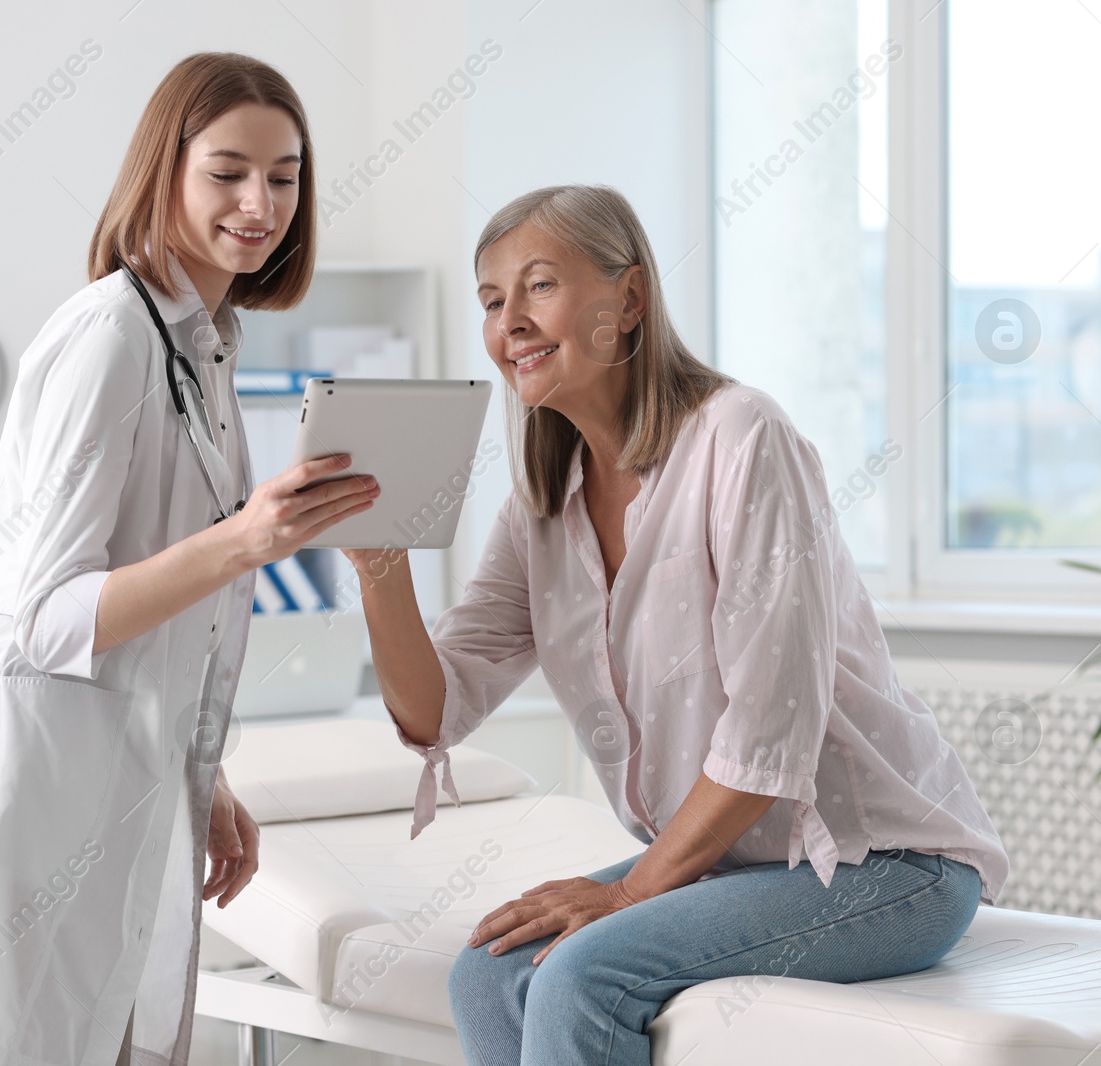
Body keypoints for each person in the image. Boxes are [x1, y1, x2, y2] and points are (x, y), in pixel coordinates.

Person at [344, 184, 1009, 1066]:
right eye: (491, 300)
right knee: (486, 970)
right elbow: (436, 712)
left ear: (628, 300)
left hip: (877, 861)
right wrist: (381, 567)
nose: (510, 321)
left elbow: (770, 735)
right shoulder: (543, 505)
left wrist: (624, 899)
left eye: (538, 286)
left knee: (584, 973)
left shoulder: (742, 438)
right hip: (739, 865)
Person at [0, 53, 377, 1066]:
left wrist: (203, 770)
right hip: (29, 767)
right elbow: (46, 617)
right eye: (227, 171)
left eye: (285, 174)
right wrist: (244, 542)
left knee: (107, 1029)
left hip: (123, 764)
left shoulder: (205, 339)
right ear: (163, 171)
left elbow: (163, 609)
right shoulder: (110, 335)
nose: (260, 202)